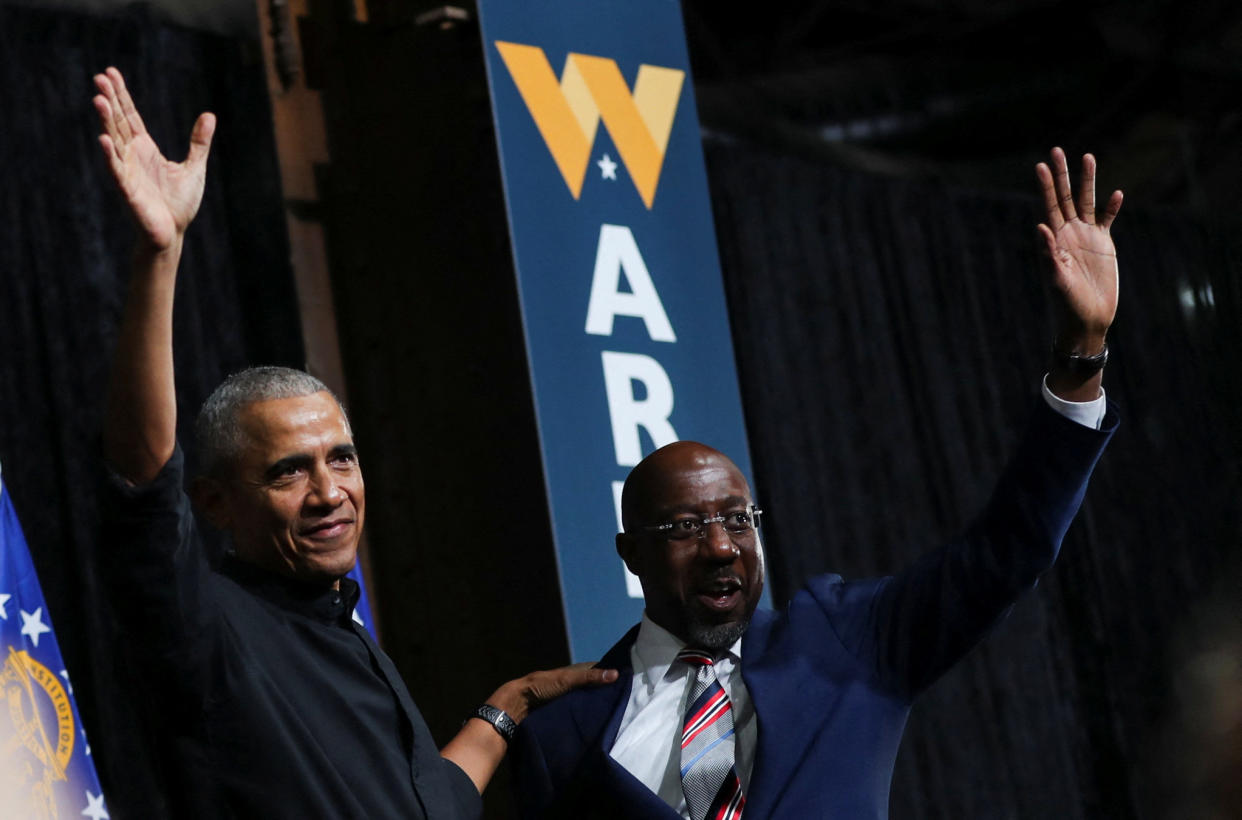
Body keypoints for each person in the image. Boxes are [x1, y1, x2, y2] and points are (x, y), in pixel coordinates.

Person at [510, 148, 1123, 819]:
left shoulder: (843, 639)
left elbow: (1008, 549)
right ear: (631, 555)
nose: (722, 546)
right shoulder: (564, 735)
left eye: (739, 519)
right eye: (687, 528)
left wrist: (1080, 354)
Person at [91, 66, 615, 819]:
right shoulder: (203, 626)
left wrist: (512, 703)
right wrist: (161, 255)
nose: (330, 491)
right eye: (287, 472)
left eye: (341, 457)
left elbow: (429, 802)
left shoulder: (342, 625)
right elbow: (139, 486)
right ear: (214, 502)